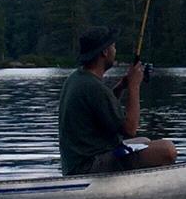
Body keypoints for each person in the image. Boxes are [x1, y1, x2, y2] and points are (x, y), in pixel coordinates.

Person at [59, 25, 177, 176]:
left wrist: (121, 87)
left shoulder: (77, 78)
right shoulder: (93, 86)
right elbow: (130, 129)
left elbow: (101, 108)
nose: (115, 51)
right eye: (113, 46)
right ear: (105, 52)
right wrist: (134, 86)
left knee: (145, 140)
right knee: (167, 150)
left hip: (79, 162)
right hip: (88, 166)